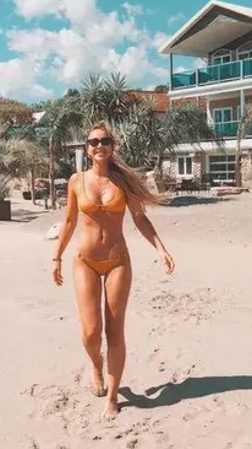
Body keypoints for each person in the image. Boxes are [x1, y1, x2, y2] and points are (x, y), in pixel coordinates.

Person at [51, 121, 177, 421]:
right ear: (86, 148)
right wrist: (56, 257)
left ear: (112, 146)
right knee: (91, 332)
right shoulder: (75, 181)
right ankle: (96, 365)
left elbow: (140, 219)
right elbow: (69, 222)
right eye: (93, 142)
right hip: (85, 261)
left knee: (114, 330)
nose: (99, 146)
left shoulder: (123, 184)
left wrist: (160, 247)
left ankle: (111, 395)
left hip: (118, 261)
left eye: (104, 141)